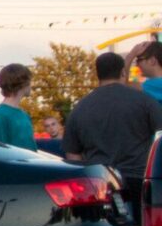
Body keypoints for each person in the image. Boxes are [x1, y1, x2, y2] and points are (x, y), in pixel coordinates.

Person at [64, 50, 162, 212]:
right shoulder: (145, 102)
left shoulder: (80, 108)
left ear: (98, 74)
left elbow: (73, 155)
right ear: (123, 72)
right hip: (139, 181)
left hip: (100, 185)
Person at [0, 63, 35, 149]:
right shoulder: (1, 115)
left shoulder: (23, 114)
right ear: (22, 83)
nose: (31, 85)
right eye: (29, 81)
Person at [133, 39, 162, 106]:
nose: (136, 65)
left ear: (152, 61)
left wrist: (131, 55)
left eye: (139, 60)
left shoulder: (151, 85)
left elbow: (122, 84)